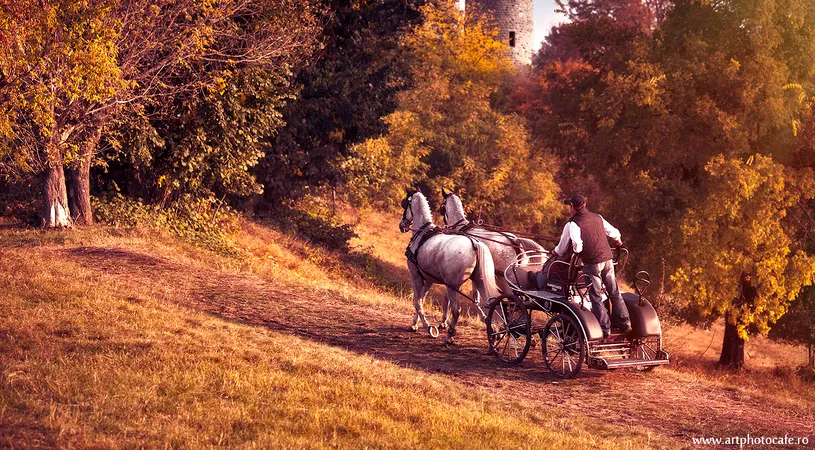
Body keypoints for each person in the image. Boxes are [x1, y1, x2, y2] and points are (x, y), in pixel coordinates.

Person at [552, 195, 631, 338]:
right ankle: (625, 323)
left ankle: (605, 328)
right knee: (614, 291)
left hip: (592, 263)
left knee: (595, 296)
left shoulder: (572, 224)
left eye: (570, 206)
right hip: (607, 259)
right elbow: (615, 232)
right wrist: (619, 243)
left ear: (573, 207)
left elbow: (572, 246)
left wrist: (558, 252)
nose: (569, 208)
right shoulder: (598, 217)